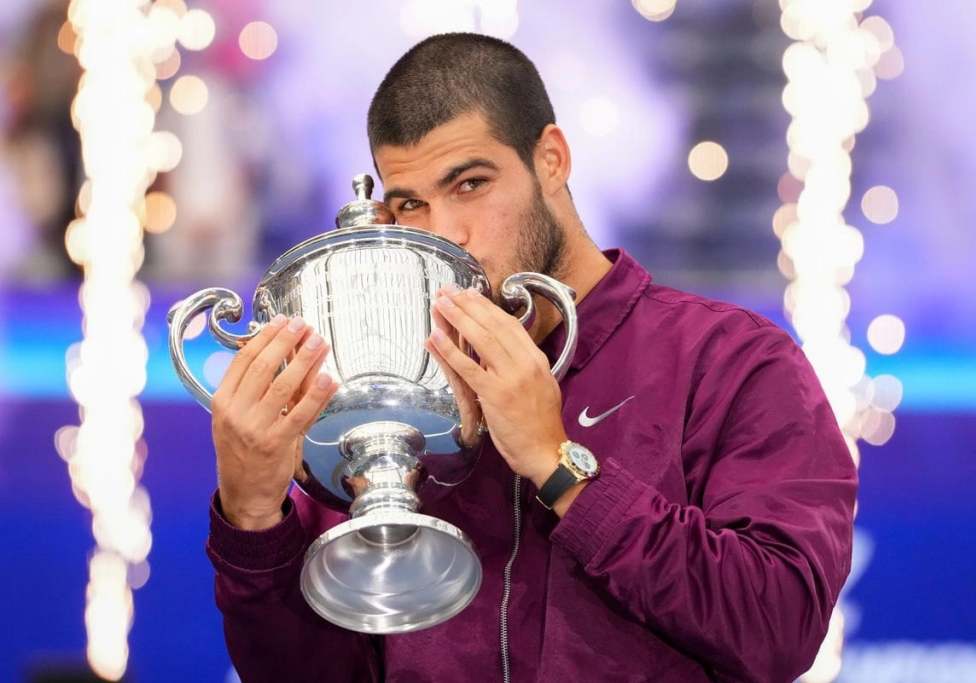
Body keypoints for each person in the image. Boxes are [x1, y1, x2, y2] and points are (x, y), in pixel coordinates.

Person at [206, 33, 857, 683]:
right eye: (411, 204)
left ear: (551, 160)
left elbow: (781, 626)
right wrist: (253, 519)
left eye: (470, 184)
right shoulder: (390, 394)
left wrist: (560, 466)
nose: (446, 231)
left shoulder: (731, 360)